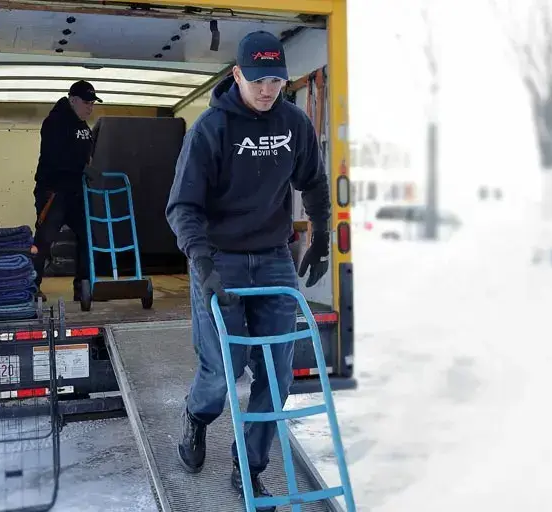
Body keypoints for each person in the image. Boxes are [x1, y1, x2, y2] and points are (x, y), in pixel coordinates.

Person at [165, 30, 331, 510]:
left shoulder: (293, 124)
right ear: (237, 74)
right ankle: (197, 417)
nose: (267, 90)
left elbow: (314, 182)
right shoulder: (210, 130)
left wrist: (321, 236)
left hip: (274, 258)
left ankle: (248, 466)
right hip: (220, 259)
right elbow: (183, 206)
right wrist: (203, 264)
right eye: (258, 80)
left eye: (276, 80)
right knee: (225, 367)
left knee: (278, 372)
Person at [32, 80, 102, 301]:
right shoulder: (55, 122)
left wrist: (87, 166)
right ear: (73, 100)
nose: (90, 108)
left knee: (87, 236)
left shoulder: (83, 126)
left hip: (75, 192)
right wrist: (82, 168)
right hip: (53, 191)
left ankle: (83, 288)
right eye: (87, 103)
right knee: (44, 240)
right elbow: (55, 157)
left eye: (93, 104)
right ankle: (32, 287)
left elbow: (86, 151)